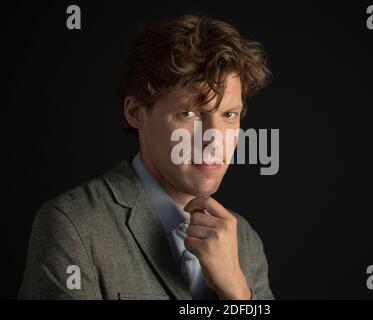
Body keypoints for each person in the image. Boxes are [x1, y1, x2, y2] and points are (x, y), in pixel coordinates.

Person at [19, 14, 274, 300]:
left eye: (229, 114)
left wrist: (238, 294)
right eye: (189, 113)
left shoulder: (245, 241)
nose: (214, 139)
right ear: (136, 112)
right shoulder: (72, 227)